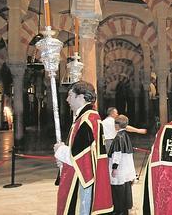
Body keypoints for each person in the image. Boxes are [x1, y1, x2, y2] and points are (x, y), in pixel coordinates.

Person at [54, 81, 113, 215]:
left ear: (81, 97)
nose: (67, 99)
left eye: (70, 95)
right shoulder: (88, 117)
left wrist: (60, 150)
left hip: (84, 179)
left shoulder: (87, 119)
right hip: (85, 174)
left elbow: (82, 155)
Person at [109, 114, 137, 215]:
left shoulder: (118, 137)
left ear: (117, 125)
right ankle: (125, 209)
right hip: (126, 169)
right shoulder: (125, 135)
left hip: (120, 170)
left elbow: (117, 153)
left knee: (118, 191)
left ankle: (119, 210)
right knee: (126, 189)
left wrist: (114, 167)